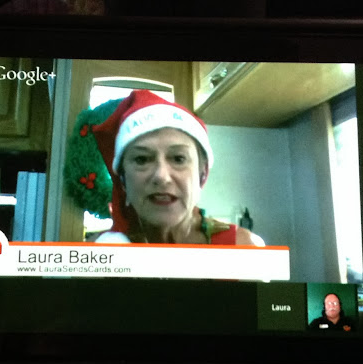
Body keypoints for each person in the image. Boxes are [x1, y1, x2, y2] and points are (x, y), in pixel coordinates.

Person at [90, 89, 265, 246]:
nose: (161, 176)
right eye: (142, 159)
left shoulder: (243, 248)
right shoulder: (97, 255)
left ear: (203, 174)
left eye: (178, 159)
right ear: (122, 180)